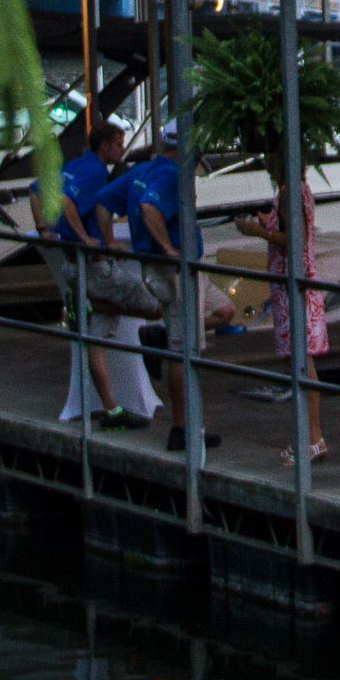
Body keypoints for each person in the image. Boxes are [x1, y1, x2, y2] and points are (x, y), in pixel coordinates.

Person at [126, 119, 233, 453]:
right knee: (183, 349)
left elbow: (105, 201)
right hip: (176, 268)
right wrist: (168, 249)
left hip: (188, 267)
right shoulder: (171, 173)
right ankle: (182, 428)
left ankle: (158, 338)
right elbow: (148, 208)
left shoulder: (151, 169)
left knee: (225, 311)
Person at [49, 120, 159, 430]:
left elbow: (40, 190)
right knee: (155, 302)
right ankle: (104, 309)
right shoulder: (96, 171)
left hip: (75, 263)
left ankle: (111, 407)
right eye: (119, 144)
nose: (123, 150)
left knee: (94, 338)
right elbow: (67, 200)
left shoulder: (74, 165)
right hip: (93, 265)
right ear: (105, 146)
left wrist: (47, 228)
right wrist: (87, 237)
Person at [235, 171, 327, 466]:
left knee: (302, 362)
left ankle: (312, 437)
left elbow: (293, 240)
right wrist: (268, 223)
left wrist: (256, 231)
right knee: (297, 362)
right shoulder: (295, 190)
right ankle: (312, 435)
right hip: (289, 285)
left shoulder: (291, 191)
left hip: (293, 288)